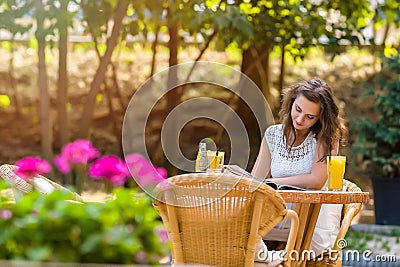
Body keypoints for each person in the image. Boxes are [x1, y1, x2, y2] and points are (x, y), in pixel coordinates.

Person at [252, 78, 347, 266]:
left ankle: (274, 253)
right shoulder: (273, 135)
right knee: (239, 235)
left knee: (278, 249)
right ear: (291, 102)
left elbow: (316, 181)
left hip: (312, 219)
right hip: (279, 212)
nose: (300, 119)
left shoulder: (325, 137)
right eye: (298, 110)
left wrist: (276, 182)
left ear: (321, 118)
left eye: (310, 117)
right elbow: (256, 181)